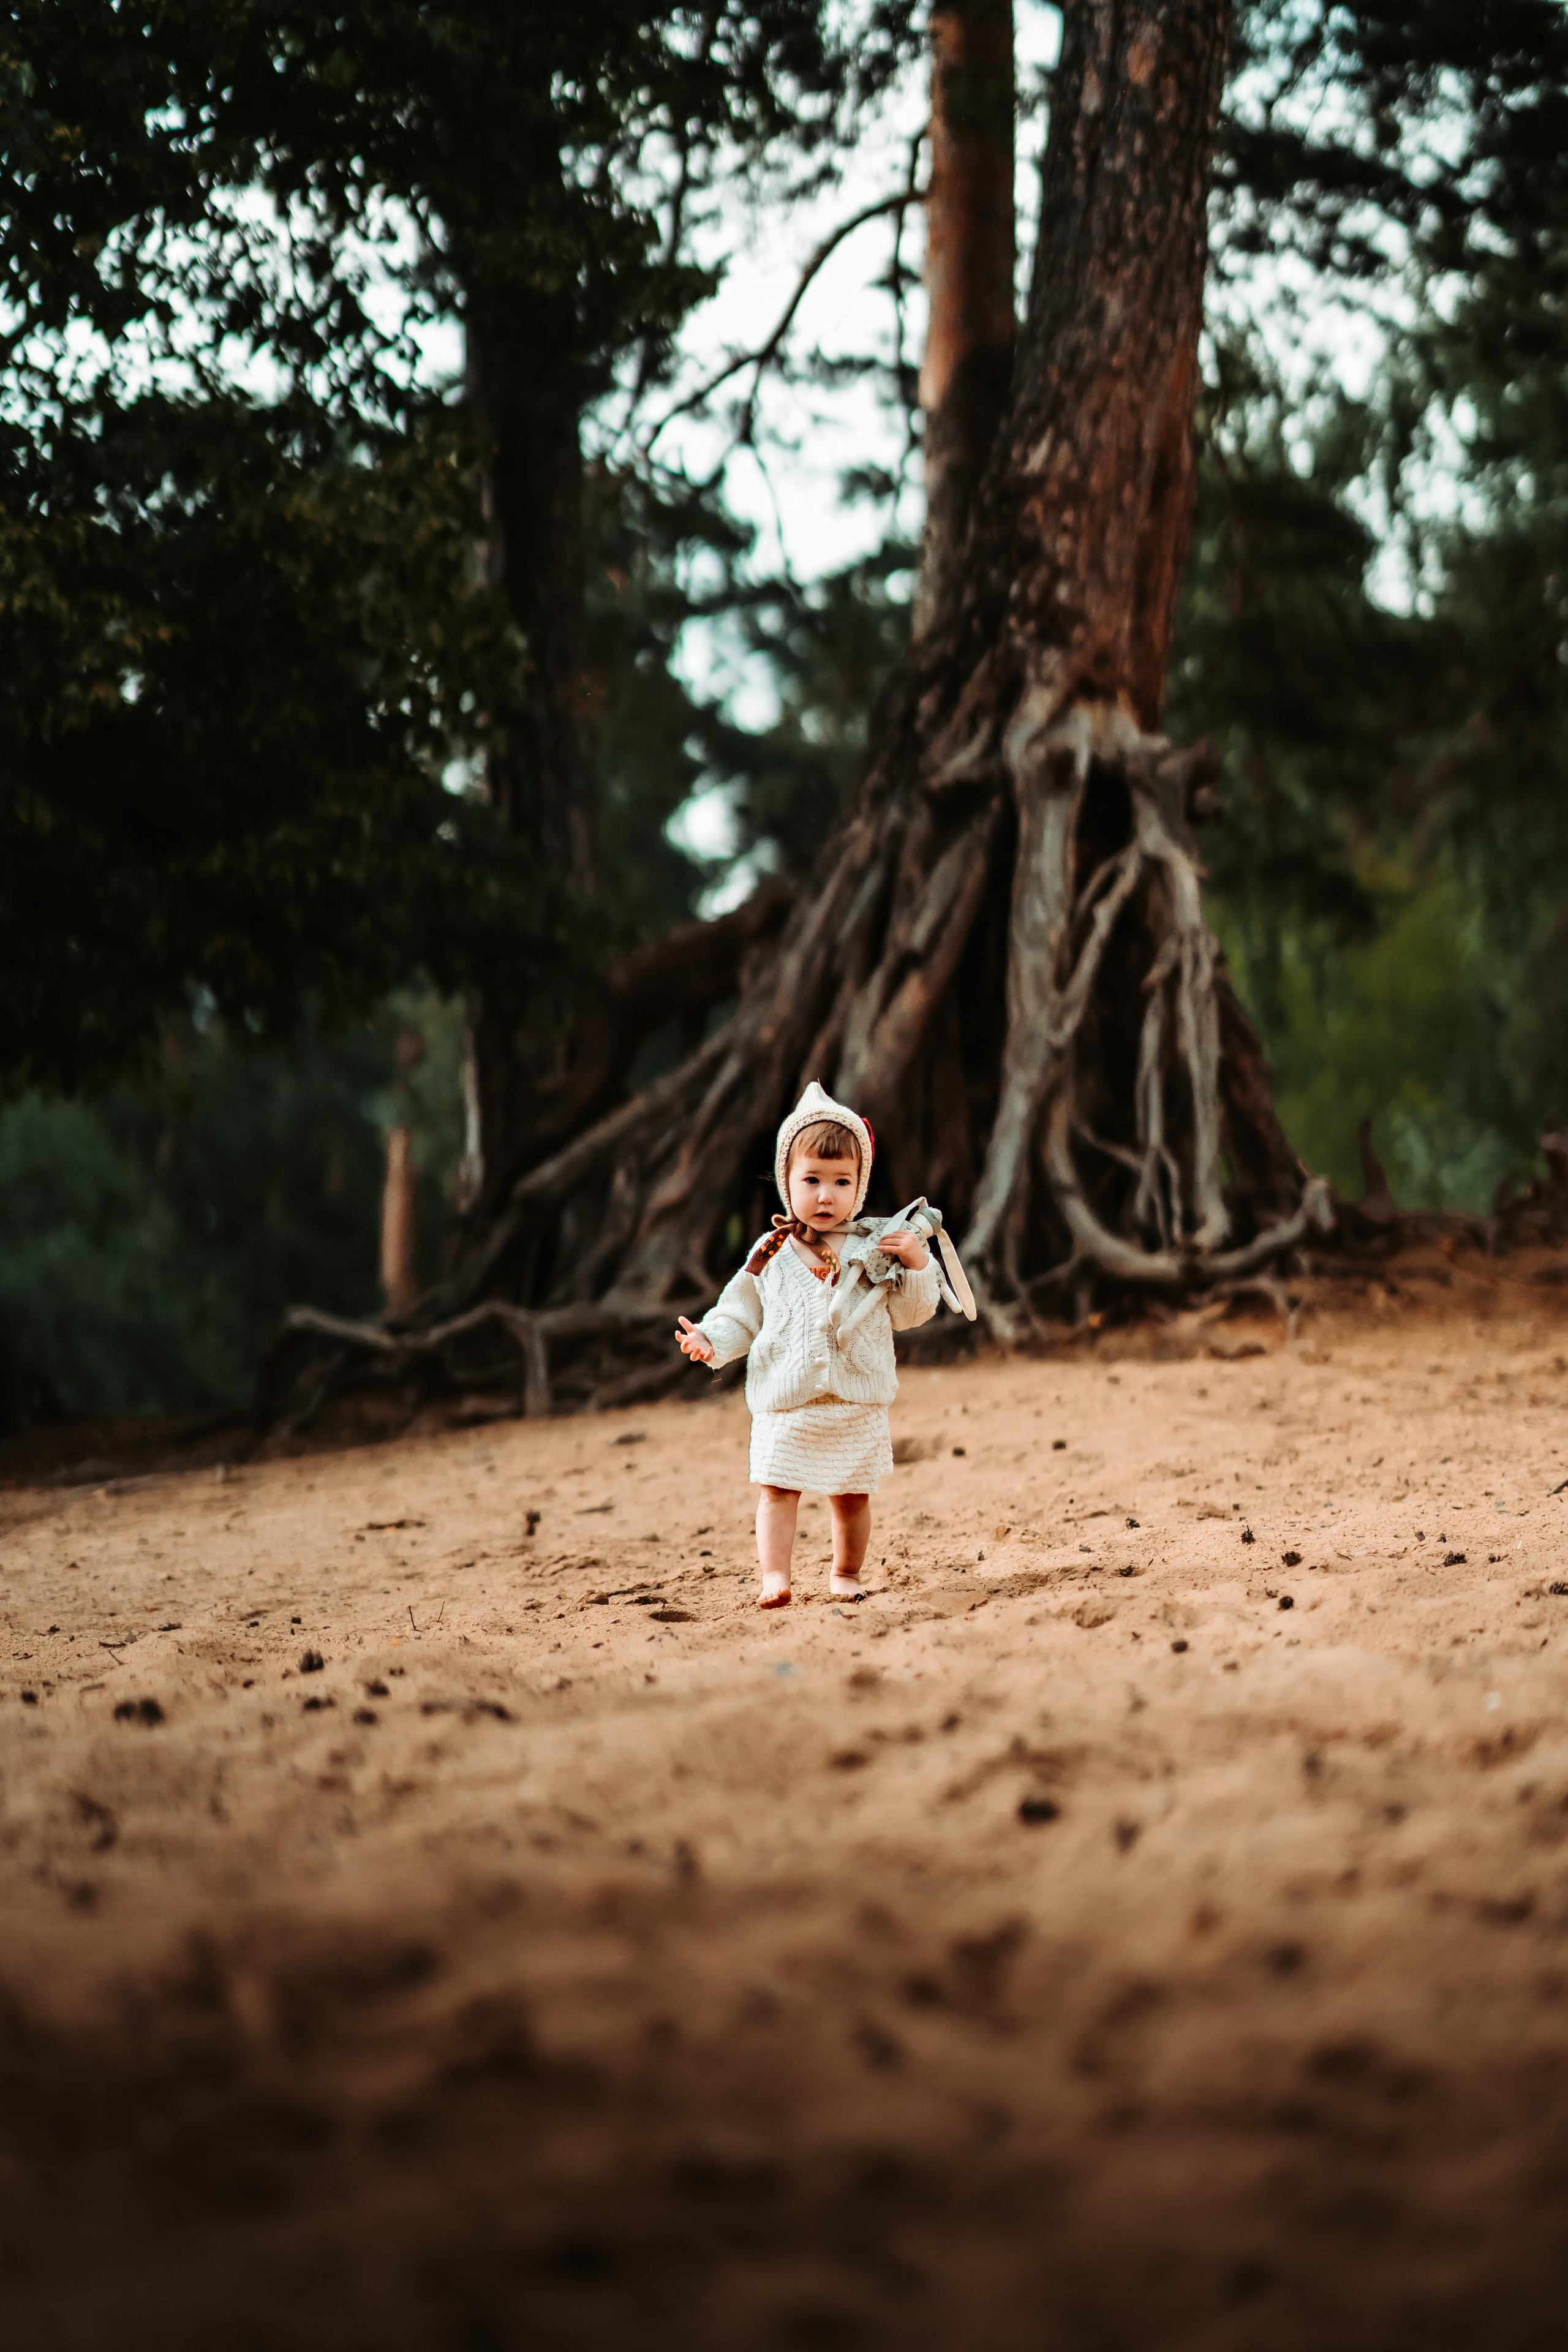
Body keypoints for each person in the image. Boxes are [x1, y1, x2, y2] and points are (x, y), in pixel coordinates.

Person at [675, 1080, 941, 1608]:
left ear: (860, 1185)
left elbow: (913, 1312)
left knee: (852, 1496)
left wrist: (918, 1262)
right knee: (776, 1490)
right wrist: (711, 1339)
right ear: (786, 1182)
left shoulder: (876, 1247)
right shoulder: (771, 1251)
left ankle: (845, 1572)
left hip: (855, 1402)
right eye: (812, 1180)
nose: (826, 1195)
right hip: (786, 1399)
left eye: (842, 1181)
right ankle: (775, 1576)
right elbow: (741, 1310)